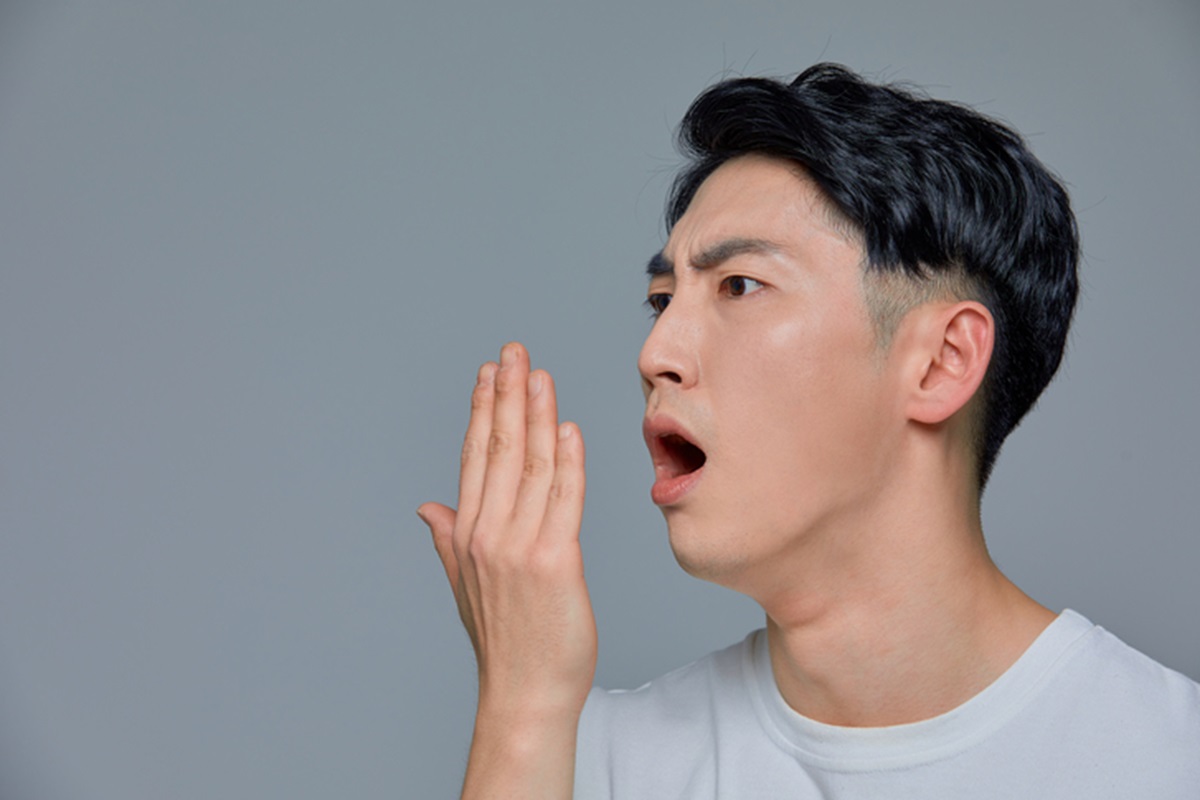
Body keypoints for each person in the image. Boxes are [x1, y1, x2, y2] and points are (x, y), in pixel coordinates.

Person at [416, 64, 1200, 799]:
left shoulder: (1169, 757)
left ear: (941, 363)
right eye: (662, 300)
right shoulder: (579, 760)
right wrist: (521, 707)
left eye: (739, 285)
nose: (656, 355)